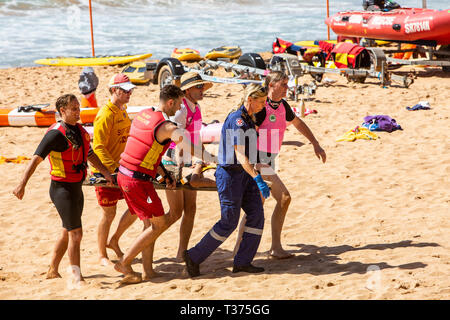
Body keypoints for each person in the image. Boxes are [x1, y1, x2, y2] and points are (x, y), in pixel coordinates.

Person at [12, 94, 113, 282]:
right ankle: (76, 276)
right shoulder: (55, 133)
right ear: (62, 111)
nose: (78, 112)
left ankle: (52, 269)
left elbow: (89, 153)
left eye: (78, 108)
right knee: (77, 233)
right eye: (73, 109)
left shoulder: (80, 130)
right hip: (61, 189)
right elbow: (36, 158)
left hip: (76, 188)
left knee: (67, 230)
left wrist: (105, 172)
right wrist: (22, 183)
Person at [234, 71, 327, 259]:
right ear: (271, 85)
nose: (287, 87)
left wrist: (315, 143)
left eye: (287, 84)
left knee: (257, 205)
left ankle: (243, 249)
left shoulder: (283, 106)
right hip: (258, 160)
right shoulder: (261, 107)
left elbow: (298, 123)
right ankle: (270, 248)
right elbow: (249, 136)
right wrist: (254, 165)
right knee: (283, 198)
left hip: (269, 160)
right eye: (283, 84)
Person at [183, 83, 270, 278]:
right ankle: (193, 256)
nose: (264, 105)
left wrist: (257, 172)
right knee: (229, 221)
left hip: (244, 174)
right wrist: (258, 179)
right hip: (230, 175)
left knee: (256, 214)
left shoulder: (249, 117)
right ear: (250, 100)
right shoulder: (237, 120)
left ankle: (243, 262)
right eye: (262, 101)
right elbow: (240, 155)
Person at [113, 84, 188, 284]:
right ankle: (125, 261)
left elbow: (145, 150)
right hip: (137, 181)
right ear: (171, 102)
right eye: (179, 103)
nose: (179, 108)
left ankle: (148, 271)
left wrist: (164, 176)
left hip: (126, 175)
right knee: (160, 223)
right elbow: (189, 146)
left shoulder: (144, 113)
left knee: (149, 224)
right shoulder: (167, 126)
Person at [162, 71, 214, 261]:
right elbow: (174, 139)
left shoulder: (196, 108)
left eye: (202, 86)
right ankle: (147, 241)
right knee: (175, 213)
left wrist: (202, 158)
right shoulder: (181, 109)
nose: (202, 90)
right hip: (174, 162)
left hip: (188, 160)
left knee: (190, 209)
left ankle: (181, 252)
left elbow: (197, 137)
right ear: (187, 90)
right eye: (198, 87)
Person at [92, 73, 137, 266]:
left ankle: (115, 239)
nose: (129, 93)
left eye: (130, 89)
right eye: (125, 90)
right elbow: (98, 147)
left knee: (136, 207)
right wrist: (109, 171)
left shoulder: (123, 110)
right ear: (113, 90)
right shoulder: (105, 114)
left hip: (123, 169)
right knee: (108, 214)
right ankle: (102, 255)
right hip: (107, 171)